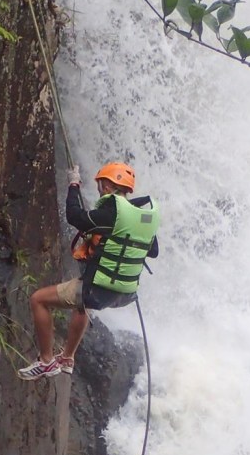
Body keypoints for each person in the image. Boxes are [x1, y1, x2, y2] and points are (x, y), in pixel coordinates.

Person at [18, 161, 160, 380]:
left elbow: (76, 217)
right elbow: (152, 251)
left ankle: (46, 361)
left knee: (39, 299)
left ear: (106, 186)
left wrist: (73, 185)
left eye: (100, 184)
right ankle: (67, 357)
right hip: (124, 294)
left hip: (98, 290)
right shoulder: (143, 218)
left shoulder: (113, 211)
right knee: (82, 305)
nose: (98, 188)